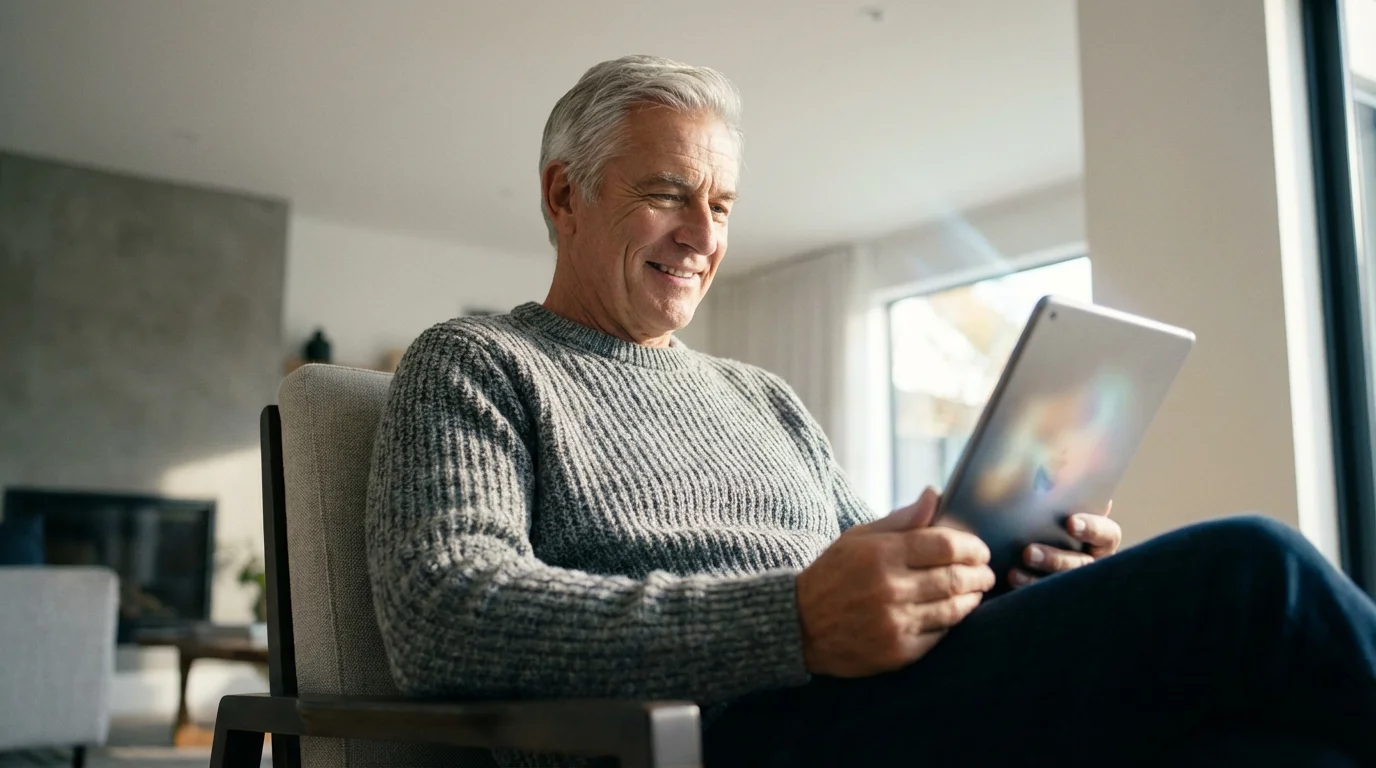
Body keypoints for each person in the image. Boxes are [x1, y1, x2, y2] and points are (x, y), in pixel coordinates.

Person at [366, 55, 1376, 767]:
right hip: (703, 743)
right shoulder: (477, 362)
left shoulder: (762, 398)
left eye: (720, 206)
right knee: (1253, 573)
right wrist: (786, 623)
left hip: (864, 711)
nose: (699, 234)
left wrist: (998, 578)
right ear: (562, 194)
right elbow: (446, 614)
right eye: (667, 194)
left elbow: (871, 602)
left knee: (1273, 748)